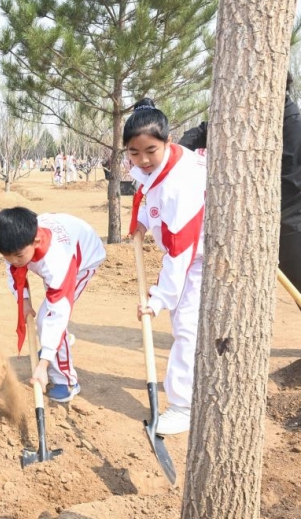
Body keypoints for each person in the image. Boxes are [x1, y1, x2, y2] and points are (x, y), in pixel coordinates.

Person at [179, 72, 301, 297]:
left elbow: (289, 182)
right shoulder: (247, 115)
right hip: (249, 223)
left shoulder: (292, 125)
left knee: (298, 286)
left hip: (290, 223)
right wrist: (175, 157)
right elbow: (202, 131)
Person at [127, 98, 207, 436]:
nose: (143, 160)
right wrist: (143, 221)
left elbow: (180, 253)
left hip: (200, 258)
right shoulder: (160, 169)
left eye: (150, 150)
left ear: (168, 142)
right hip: (185, 254)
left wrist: (157, 300)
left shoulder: (181, 183)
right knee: (189, 327)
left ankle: (184, 405)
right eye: (134, 152)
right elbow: (150, 195)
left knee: (186, 327)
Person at [0, 207, 105, 402]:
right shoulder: (14, 244)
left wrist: (43, 365)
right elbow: (14, 271)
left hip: (84, 259)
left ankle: (66, 381)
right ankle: (53, 349)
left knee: (48, 320)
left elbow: (58, 312)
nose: (12, 261)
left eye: (18, 256)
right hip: (64, 239)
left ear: (35, 242)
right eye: (6, 255)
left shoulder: (58, 263)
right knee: (48, 323)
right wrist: (24, 301)